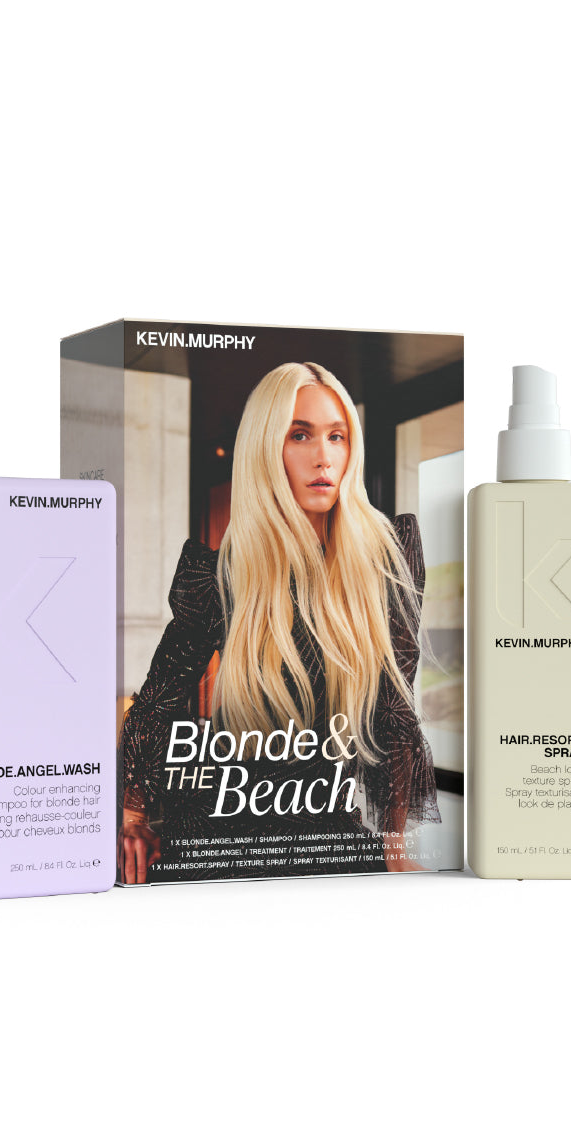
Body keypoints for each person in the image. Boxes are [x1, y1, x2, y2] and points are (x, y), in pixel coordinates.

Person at [119, 361, 440, 883]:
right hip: (218, 831)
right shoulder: (220, 578)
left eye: (337, 436)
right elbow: (156, 702)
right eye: (300, 435)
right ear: (267, 450)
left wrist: (394, 842)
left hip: (325, 828)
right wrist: (133, 819)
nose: (323, 457)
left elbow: (394, 713)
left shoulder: (386, 561)